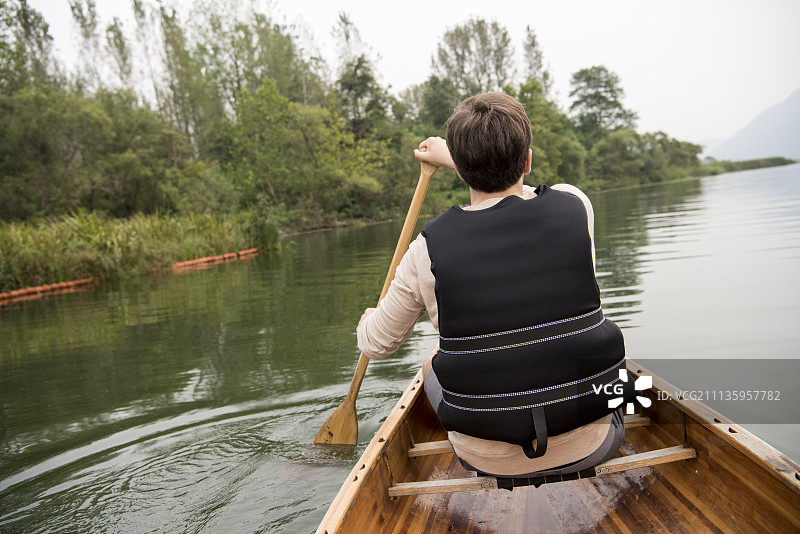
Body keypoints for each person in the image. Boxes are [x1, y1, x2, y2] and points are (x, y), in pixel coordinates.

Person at [357, 92, 631, 478]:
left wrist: (368, 319)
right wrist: (459, 158)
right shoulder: (576, 205)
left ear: (461, 173)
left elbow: (376, 344)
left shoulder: (425, 251)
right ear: (528, 161)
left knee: (431, 364)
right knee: (620, 385)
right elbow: (524, 195)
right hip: (593, 443)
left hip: (485, 459)